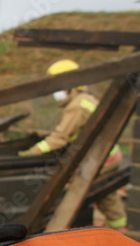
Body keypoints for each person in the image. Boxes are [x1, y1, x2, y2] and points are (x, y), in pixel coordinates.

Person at [19, 59, 128, 231]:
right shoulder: (86, 99)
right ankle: (120, 229)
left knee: (74, 192)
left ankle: (58, 230)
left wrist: (31, 152)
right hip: (110, 156)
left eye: (58, 86)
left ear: (70, 86)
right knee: (106, 194)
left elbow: (59, 138)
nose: (55, 92)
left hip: (100, 159)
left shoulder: (76, 107)